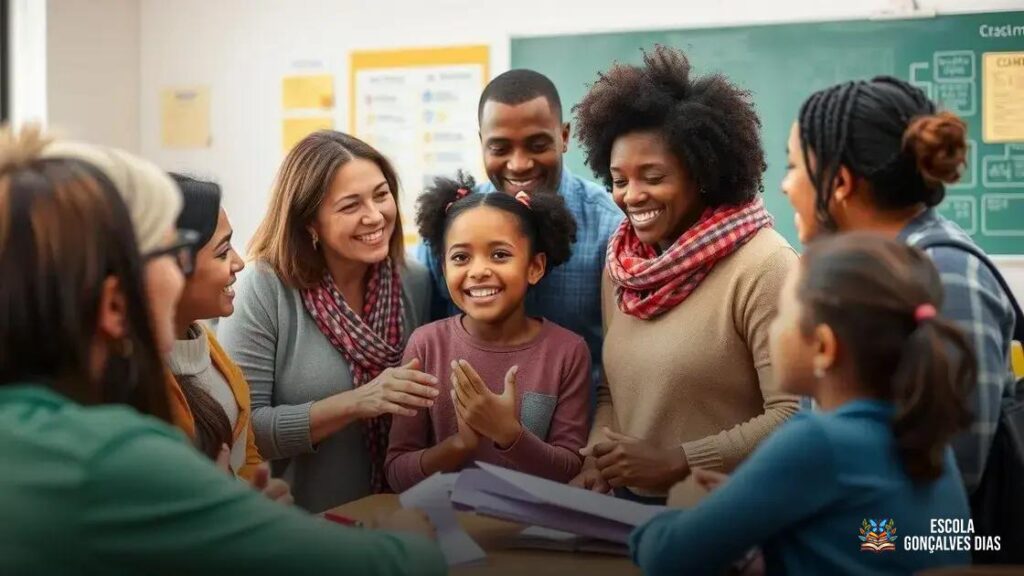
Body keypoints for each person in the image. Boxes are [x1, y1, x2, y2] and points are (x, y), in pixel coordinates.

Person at [0, 127, 445, 575]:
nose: (235, 264)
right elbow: (388, 565)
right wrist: (411, 537)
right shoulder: (111, 457)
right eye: (172, 257)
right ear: (116, 303)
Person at [631, 233, 974, 575]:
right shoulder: (928, 441)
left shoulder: (816, 442)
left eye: (783, 314)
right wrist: (743, 502)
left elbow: (668, 557)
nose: (774, 328)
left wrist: (683, 511)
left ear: (824, 347)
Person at [569, 46, 800, 503]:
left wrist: (682, 460)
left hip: (731, 518)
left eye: (652, 176)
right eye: (618, 180)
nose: (631, 196)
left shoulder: (766, 265)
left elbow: (793, 414)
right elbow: (613, 391)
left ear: (703, 173)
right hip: (627, 514)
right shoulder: (623, 267)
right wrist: (599, 455)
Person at [781, 76, 1016, 492]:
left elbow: (952, 482)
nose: (784, 186)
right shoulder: (856, 273)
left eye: (794, 166)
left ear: (839, 184)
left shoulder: (946, 276)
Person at [217, 131, 435, 511]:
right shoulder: (263, 289)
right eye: (351, 206)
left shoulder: (413, 281)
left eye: (381, 195)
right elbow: (243, 431)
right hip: (302, 530)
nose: (375, 215)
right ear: (310, 224)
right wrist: (356, 403)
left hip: (401, 518)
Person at [416, 69, 622, 401]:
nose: (519, 164)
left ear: (565, 136)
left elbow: (622, 363)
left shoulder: (609, 228)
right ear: (482, 142)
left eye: (537, 145)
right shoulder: (451, 223)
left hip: (577, 439)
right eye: (500, 148)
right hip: (464, 435)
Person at [386, 173, 590, 491]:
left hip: (533, 535)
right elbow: (397, 473)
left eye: (499, 255)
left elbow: (570, 470)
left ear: (534, 267)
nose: (479, 271)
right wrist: (461, 444)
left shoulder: (568, 352)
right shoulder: (426, 345)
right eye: (461, 257)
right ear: (444, 269)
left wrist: (508, 433)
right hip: (444, 531)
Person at [165, 174, 274, 491]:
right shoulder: (135, 384)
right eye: (223, 251)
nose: (239, 263)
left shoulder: (205, 341)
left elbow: (246, 454)